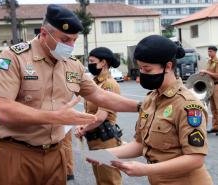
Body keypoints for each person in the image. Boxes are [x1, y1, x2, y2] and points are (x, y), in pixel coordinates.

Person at [0, 4, 139, 185]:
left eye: (74, 40)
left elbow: (100, 95)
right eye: (65, 39)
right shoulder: (14, 58)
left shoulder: (72, 64)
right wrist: (55, 117)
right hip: (17, 154)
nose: (70, 46)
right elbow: (3, 110)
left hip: (56, 154)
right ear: (45, 34)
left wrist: (141, 106)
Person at [88, 35, 213, 185]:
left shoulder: (187, 105)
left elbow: (195, 159)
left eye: (147, 69)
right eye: (140, 68)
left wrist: (146, 170)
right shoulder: (151, 99)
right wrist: (104, 155)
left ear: (167, 66)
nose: (142, 74)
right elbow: (139, 144)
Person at [75, 47, 123, 185]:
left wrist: (83, 129)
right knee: (101, 180)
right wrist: (81, 124)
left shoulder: (109, 84)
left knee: (109, 180)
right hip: (95, 138)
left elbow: (101, 116)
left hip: (105, 139)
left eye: (92, 61)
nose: (89, 64)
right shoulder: (95, 83)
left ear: (103, 63)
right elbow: (89, 113)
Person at [200, 46, 218, 134]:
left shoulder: (217, 62)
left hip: (217, 85)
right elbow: (209, 73)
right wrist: (203, 73)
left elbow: (217, 75)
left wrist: (207, 72)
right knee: (213, 108)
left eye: (210, 51)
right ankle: (215, 127)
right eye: (208, 51)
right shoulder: (209, 62)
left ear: (215, 52)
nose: (209, 53)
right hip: (210, 86)